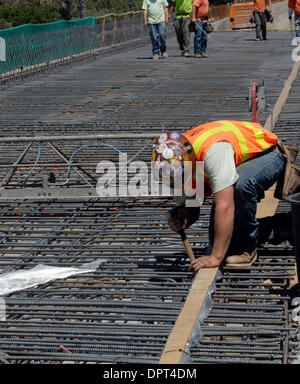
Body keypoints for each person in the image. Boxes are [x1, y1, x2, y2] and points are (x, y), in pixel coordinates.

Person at [152, 120, 294, 272]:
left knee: (242, 186)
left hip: (267, 153)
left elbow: (225, 206)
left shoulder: (212, 152)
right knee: (222, 239)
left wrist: (215, 258)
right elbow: (192, 209)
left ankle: (247, 249)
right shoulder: (178, 163)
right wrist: (181, 219)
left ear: (190, 164)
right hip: (236, 160)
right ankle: (290, 225)